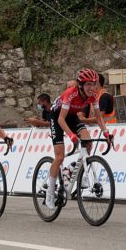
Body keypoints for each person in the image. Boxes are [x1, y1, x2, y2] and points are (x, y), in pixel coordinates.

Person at [45, 69, 114, 209]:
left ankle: (73, 170)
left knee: (88, 142)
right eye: (88, 84)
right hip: (57, 117)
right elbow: (61, 119)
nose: (92, 87)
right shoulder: (71, 94)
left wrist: (106, 133)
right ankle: (50, 193)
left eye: (94, 84)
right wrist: (71, 135)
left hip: (72, 117)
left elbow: (99, 117)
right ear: (81, 85)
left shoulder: (93, 95)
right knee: (59, 157)